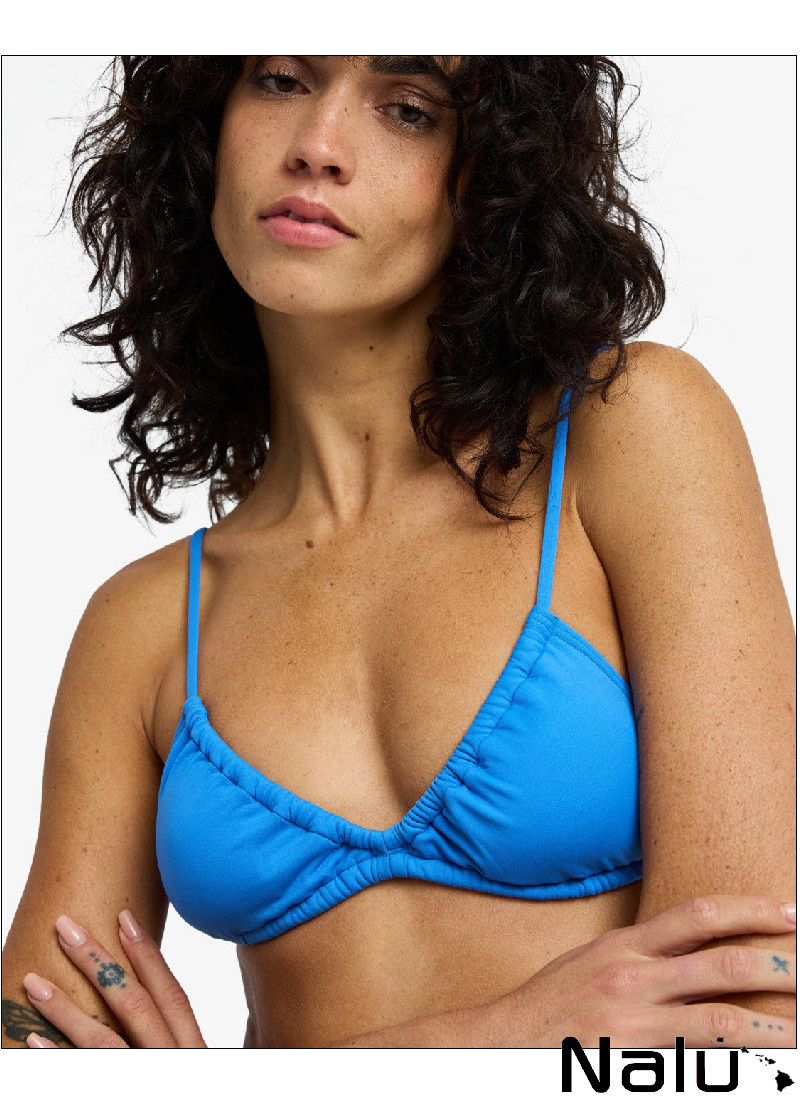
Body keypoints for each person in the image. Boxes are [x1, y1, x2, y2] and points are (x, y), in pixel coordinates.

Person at [1, 55, 795, 1050]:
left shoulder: (629, 434)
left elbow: (750, 1022)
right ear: (204, 130)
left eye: (409, 109)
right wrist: (500, 1037)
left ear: (492, 174)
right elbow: (26, 1050)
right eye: (280, 80)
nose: (318, 146)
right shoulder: (146, 625)